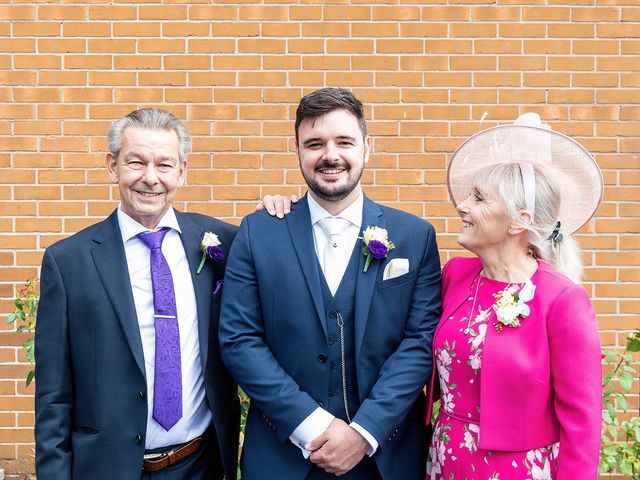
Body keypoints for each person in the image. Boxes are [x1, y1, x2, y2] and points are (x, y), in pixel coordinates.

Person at [219, 87, 442, 480]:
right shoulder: (258, 233)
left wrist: (365, 431)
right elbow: (240, 340)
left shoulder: (414, 236)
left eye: (344, 141)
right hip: (283, 456)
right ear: (297, 150)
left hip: (385, 456)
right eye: (315, 143)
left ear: (367, 147)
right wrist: (312, 425)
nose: (330, 155)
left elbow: (420, 342)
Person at [34, 108, 239, 480]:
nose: (150, 178)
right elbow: (53, 397)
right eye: (135, 162)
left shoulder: (222, 243)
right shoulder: (68, 262)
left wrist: (281, 209)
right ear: (112, 166)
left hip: (201, 465)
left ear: (182, 170)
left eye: (164, 164)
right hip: (106, 469)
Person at [426, 113, 603, 479]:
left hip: (517, 470)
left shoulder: (562, 301)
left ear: (519, 221)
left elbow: (582, 424)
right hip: (445, 460)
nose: (462, 206)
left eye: (478, 199)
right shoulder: (455, 276)